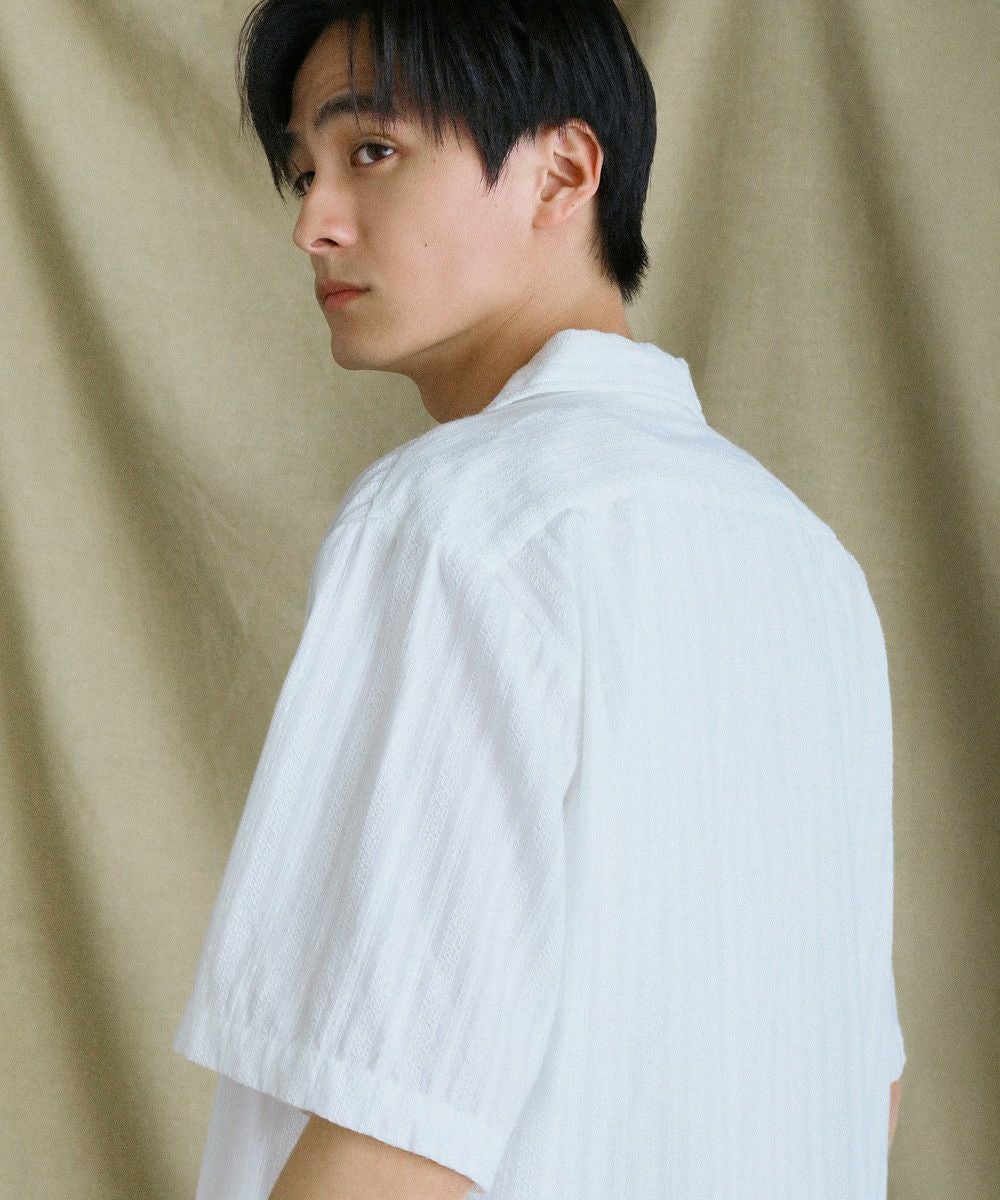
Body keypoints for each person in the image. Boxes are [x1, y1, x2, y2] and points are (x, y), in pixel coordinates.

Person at [172, 2, 905, 1198]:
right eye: (305, 172)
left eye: (371, 151)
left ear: (562, 171)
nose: (314, 222)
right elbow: (860, 1089)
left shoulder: (453, 518)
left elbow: (394, 1124)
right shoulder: (807, 561)